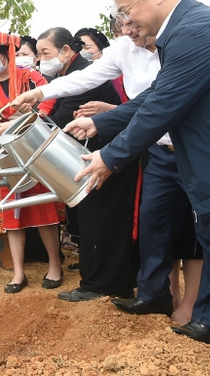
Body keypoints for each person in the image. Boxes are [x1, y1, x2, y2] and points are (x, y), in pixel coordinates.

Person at [66, 0, 210, 347]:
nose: (125, 22)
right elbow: (156, 95)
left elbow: (162, 107)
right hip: (209, 155)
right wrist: (101, 123)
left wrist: (109, 156)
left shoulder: (195, 32)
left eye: (126, 10)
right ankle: (194, 313)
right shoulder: (185, 29)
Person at [13, 13, 201, 325]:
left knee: (195, 234)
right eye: (122, 25)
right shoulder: (123, 49)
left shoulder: (182, 46)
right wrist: (41, 92)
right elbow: (92, 79)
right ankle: (158, 297)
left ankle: (198, 307)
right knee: (155, 228)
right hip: (155, 150)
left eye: (133, 23)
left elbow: (155, 105)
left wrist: (104, 124)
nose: (128, 31)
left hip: (191, 150)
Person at [31, 27, 137, 303]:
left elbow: (59, 122)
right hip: (100, 153)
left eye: (45, 53)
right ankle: (105, 281)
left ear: (66, 50)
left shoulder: (83, 75)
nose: (41, 60)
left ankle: (101, 284)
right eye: (38, 54)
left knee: (102, 222)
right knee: (97, 220)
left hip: (110, 156)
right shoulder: (69, 74)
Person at [0, 32, 61, 293]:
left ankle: (55, 264)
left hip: (34, 148)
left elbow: (47, 103)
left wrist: (16, 122)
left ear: (6, 54)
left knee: (43, 208)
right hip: (5, 154)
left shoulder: (31, 78)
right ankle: (18, 272)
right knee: (11, 211)